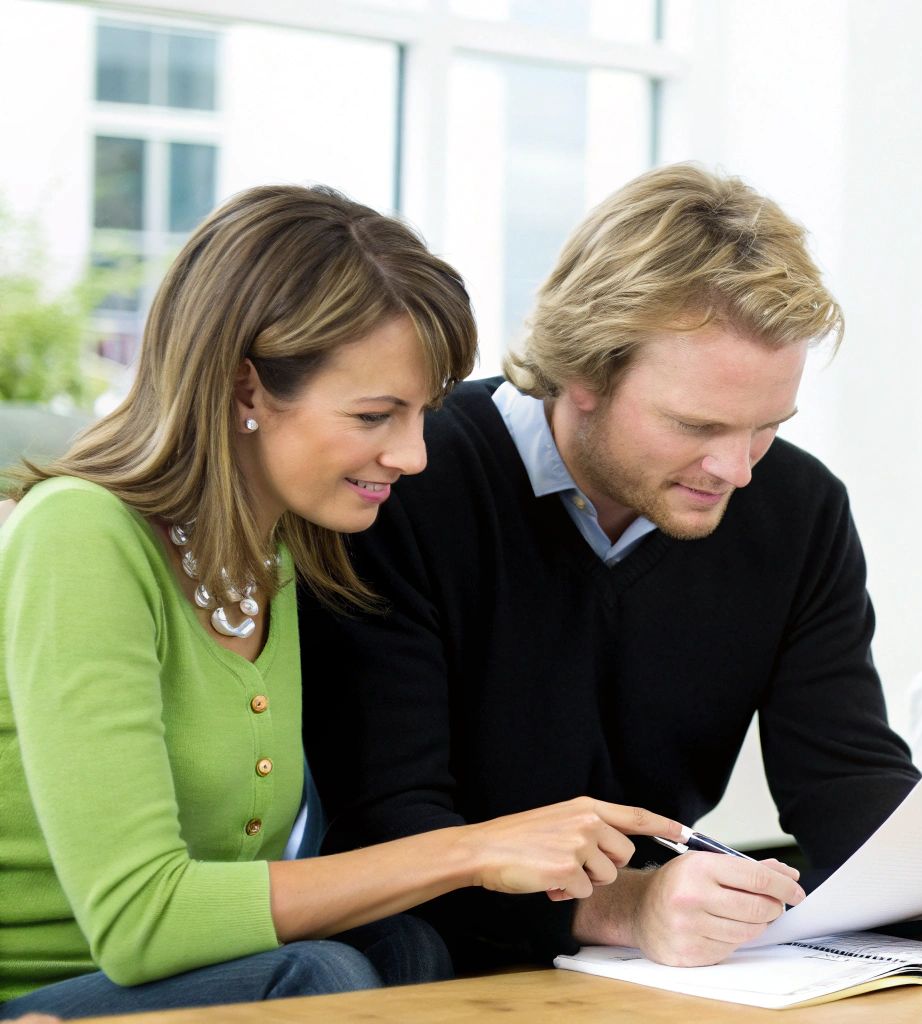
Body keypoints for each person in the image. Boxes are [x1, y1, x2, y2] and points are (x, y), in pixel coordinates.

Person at [300, 163, 922, 971]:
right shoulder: (402, 483)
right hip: (440, 951)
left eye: (767, 424)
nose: (736, 470)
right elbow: (389, 825)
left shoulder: (799, 508)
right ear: (583, 373)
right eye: (696, 425)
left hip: (659, 966)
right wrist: (627, 907)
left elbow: (843, 777)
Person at [0, 185, 684, 1020]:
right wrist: (471, 849)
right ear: (246, 388)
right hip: (37, 997)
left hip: (197, 986)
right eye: (374, 415)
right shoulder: (83, 535)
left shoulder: (284, 553)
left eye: (423, 414)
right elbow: (145, 923)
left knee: (411, 947)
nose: (413, 454)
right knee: (322, 978)